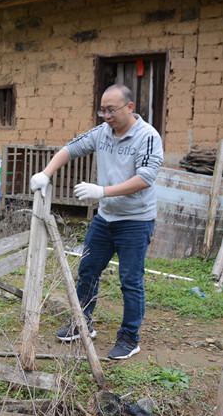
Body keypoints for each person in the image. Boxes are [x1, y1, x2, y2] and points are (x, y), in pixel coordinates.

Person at [30, 84, 164, 360]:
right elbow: (71, 148)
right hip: (105, 218)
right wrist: (46, 173)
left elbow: (145, 179)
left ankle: (129, 337)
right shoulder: (103, 132)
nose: (106, 115)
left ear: (129, 107)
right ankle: (83, 323)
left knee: (130, 279)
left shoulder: (147, 137)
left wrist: (101, 191)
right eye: (102, 110)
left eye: (111, 110)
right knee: (88, 269)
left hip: (135, 220)